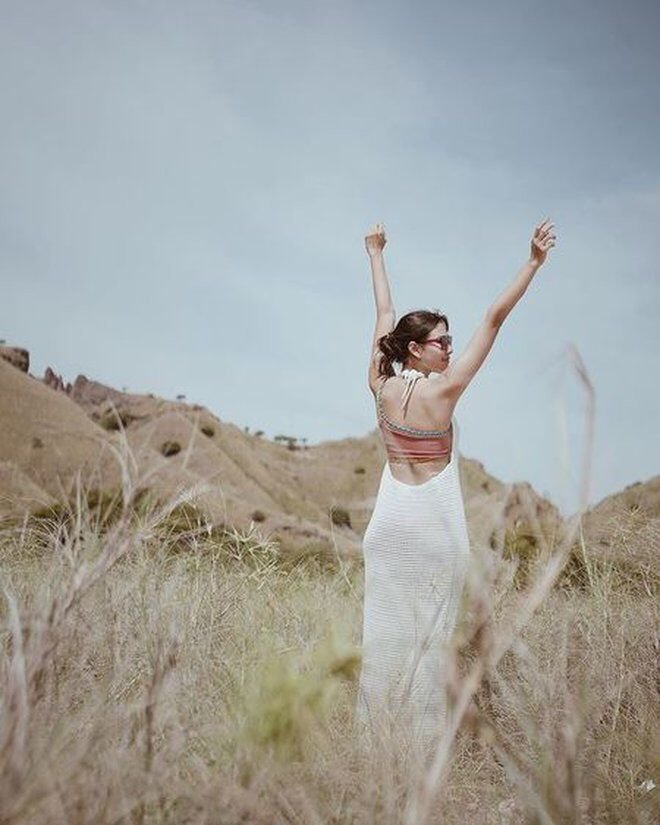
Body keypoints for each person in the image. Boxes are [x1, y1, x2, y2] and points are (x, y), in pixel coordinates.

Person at [355, 218, 557, 757]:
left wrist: (375, 253)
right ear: (416, 349)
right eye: (442, 340)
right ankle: (420, 751)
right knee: (429, 645)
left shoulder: (380, 384)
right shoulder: (445, 391)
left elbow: (381, 314)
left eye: (449, 340)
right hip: (435, 535)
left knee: (383, 641)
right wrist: (533, 264)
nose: (449, 347)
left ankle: (374, 746)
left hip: (387, 532)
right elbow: (494, 317)